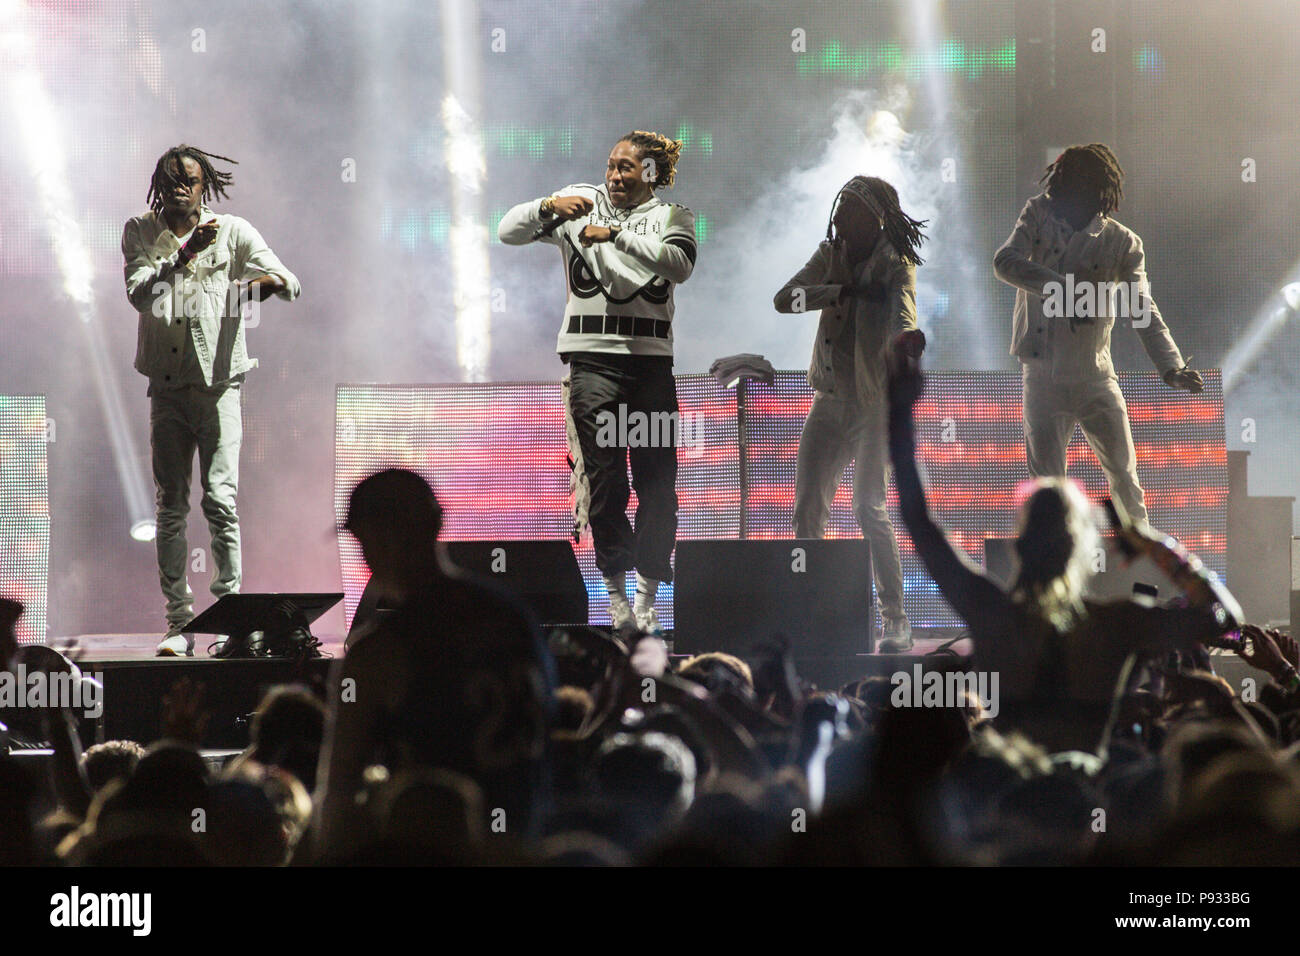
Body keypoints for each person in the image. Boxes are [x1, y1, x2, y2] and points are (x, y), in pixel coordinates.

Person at [885, 342, 1241, 754]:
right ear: (1080, 546)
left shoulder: (992, 613)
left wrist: (900, 415)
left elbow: (918, 521)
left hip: (1014, 798)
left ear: (1018, 544)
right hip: (1087, 798)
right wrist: (1151, 541)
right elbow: (1222, 617)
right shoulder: (1116, 623)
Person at [498, 130, 696, 637]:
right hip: (593, 365)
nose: (614, 175)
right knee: (606, 483)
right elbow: (506, 231)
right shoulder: (583, 205)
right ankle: (616, 598)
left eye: (626, 167)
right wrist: (547, 206)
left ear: (650, 173)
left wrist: (616, 237)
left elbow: (680, 264)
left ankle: (648, 597)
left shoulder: (673, 217)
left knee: (658, 485)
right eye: (611, 165)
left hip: (650, 365)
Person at [316, 469, 554, 859]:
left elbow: (340, 790)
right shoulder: (515, 619)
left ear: (374, 540)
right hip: (521, 850)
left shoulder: (381, 650)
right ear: (437, 523)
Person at [122, 145, 300, 656]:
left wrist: (261, 286)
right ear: (158, 182)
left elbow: (290, 283)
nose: (181, 185)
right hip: (169, 389)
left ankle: (230, 622)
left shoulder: (234, 231)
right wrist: (185, 253)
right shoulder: (140, 230)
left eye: (191, 178)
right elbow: (143, 295)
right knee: (171, 505)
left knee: (220, 501)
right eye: (172, 177)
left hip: (220, 387)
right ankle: (178, 624)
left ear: (205, 186)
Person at [993, 143, 1203, 525]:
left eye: (1071, 189)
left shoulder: (1122, 242)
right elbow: (1005, 262)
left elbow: (1142, 308)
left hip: (1095, 376)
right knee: (1048, 491)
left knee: (1124, 479)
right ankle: (1057, 571)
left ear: (1094, 192)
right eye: (1058, 187)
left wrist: (1171, 366)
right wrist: (1062, 288)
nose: (1059, 197)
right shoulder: (1038, 214)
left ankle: (1142, 568)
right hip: (1041, 375)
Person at [773, 176, 926, 652]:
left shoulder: (895, 262)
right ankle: (811, 614)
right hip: (830, 399)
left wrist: (905, 342)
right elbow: (786, 300)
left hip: (873, 404)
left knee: (867, 506)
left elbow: (903, 314)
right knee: (806, 510)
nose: (840, 220)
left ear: (874, 217)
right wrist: (837, 292)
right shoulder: (830, 255)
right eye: (839, 212)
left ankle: (895, 620)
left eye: (851, 213)